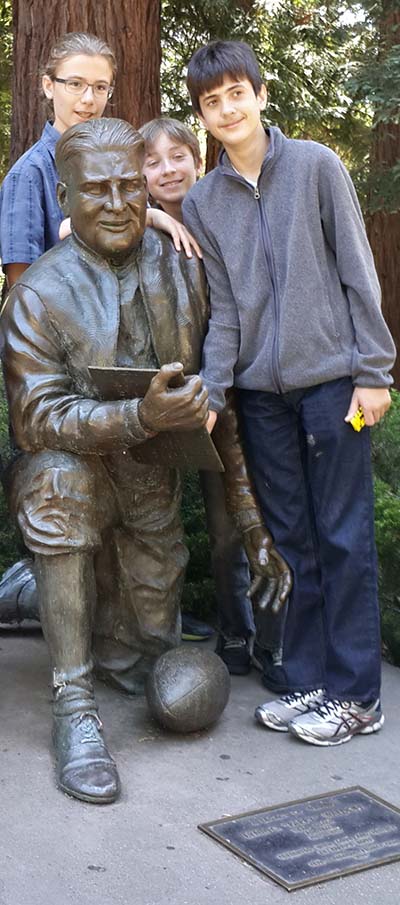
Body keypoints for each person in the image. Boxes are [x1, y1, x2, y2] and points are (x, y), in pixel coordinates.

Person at [1, 117, 291, 802]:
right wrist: (137, 415)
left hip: (150, 497)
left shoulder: (186, 272)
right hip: (76, 474)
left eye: (130, 187)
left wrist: (251, 522)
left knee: (158, 677)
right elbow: (34, 418)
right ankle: (74, 710)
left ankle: (24, 592)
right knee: (54, 486)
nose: (117, 202)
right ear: (65, 200)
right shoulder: (38, 294)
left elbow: (221, 409)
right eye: (96, 190)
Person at [182, 39, 396, 747]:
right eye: (212, 102)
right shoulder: (204, 200)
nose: (227, 108)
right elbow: (228, 312)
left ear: (260, 93)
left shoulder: (315, 166)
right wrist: (214, 388)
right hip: (262, 396)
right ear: (203, 116)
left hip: (334, 383)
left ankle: (357, 694)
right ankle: (307, 675)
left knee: (342, 536)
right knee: (292, 538)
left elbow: (357, 272)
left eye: (236, 92)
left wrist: (374, 371)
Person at [139, 116, 255, 673]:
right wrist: (155, 214)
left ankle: (242, 632)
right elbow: (68, 230)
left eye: (177, 156)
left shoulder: (222, 210)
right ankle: (156, 627)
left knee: (228, 519)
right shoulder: (135, 223)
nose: (167, 169)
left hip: (227, 391)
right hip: (161, 394)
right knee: (152, 522)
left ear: (197, 155)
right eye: (153, 162)